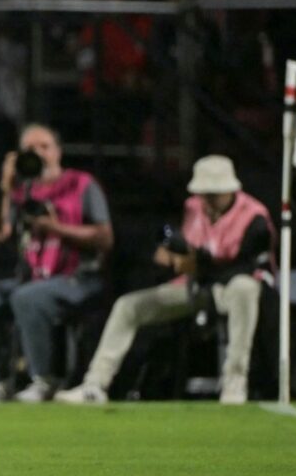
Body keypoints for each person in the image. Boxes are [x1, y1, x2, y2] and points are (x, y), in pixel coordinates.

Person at [57, 155, 274, 405]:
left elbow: (247, 265)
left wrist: (198, 265)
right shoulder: (192, 207)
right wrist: (168, 251)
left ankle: (235, 383)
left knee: (245, 289)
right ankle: (95, 384)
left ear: (231, 190)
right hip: (194, 287)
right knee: (128, 306)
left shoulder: (255, 217)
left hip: (232, 288)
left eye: (216, 193)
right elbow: (165, 232)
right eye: (205, 193)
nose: (209, 199)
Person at [0, 123, 114, 403]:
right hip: (36, 277)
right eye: (30, 149)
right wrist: (4, 187)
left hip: (80, 277)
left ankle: (44, 380)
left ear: (58, 152)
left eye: (44, 147)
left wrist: (54, 227)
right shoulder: (22, 190)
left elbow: (105, 238)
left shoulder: (81, 184)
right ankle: (0, 382)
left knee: (28, 297)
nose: (38, 154)